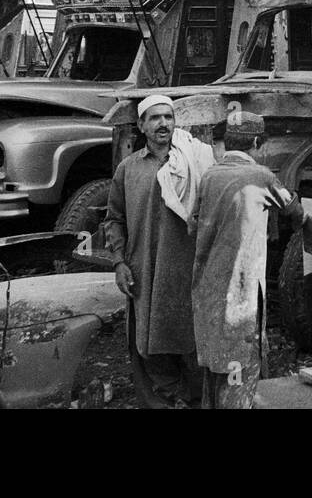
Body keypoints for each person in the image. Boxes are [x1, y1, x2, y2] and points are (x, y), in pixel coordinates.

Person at [104, 94, 216, 407]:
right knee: (147, 346)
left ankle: (196, 400)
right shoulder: (128, 169)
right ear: (141, 125)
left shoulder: (194, 164)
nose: (163, 123)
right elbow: (113, 219)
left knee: (190, 344)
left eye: (168, 117)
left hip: (185, 272)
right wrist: (118, 263)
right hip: (143, 271)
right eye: (154, 118)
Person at [192, 108, 304, 409]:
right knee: (239, 364)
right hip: (240, 289)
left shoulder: (209, 176)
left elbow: (193, 223)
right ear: (257, 143)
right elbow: (295, 211)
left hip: (208, 287)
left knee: (216, 363)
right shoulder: (261, 175)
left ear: (227, 143)